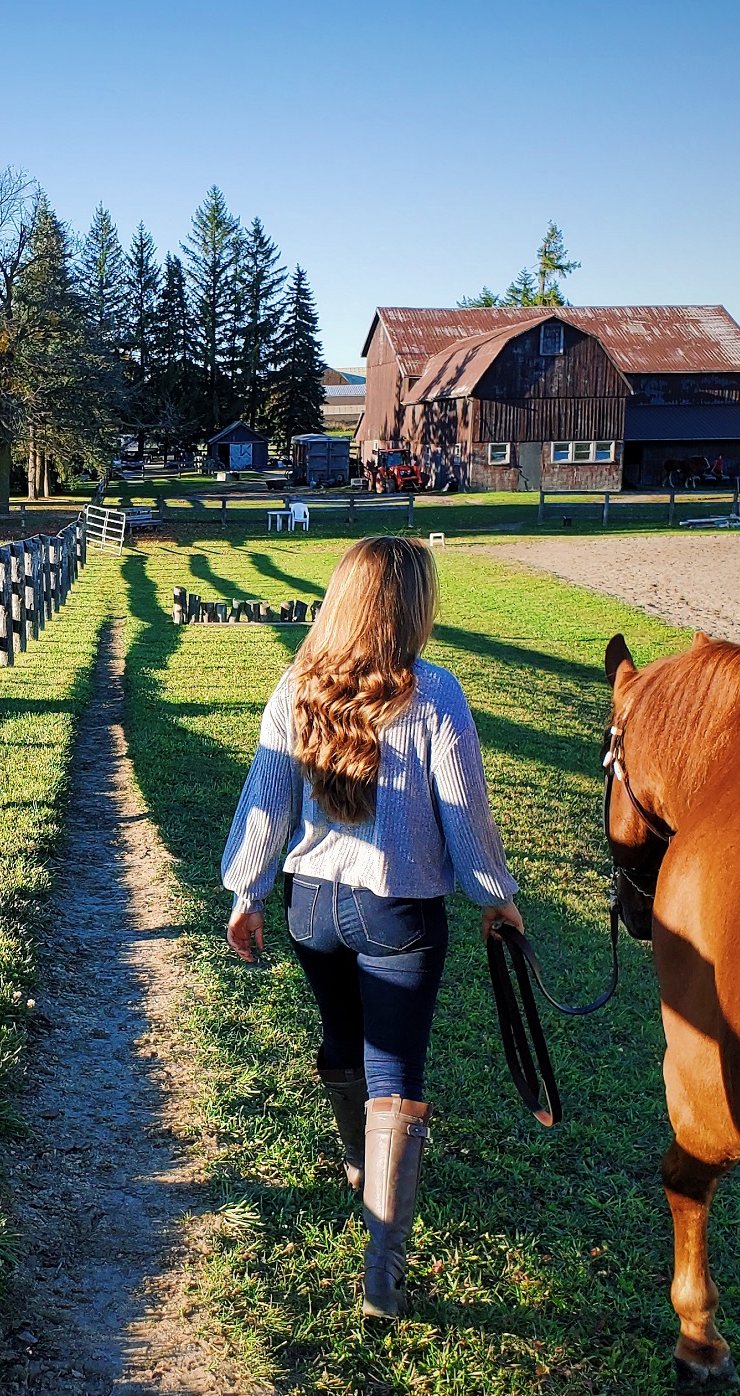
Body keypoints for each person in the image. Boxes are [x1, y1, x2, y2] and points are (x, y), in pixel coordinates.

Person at [218, 536, 522, 1320]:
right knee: (398, 1078)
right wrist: (495, 894)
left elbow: (267, 799)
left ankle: (361, 1164)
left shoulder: (296, 686)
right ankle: (382, 1276)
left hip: (310, 907)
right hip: (398, 913)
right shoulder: (435, 694)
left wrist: (245, 892)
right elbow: (466, 814)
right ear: (407, 609)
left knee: (342, 1040)